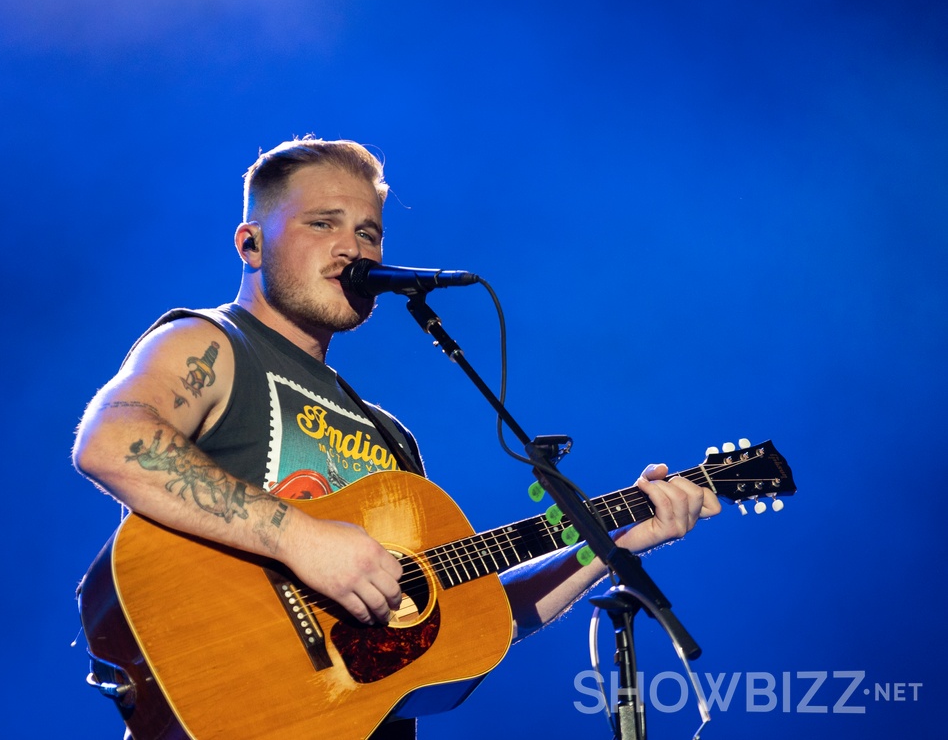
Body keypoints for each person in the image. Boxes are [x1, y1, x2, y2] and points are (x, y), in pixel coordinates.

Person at [72, 137, 721, 739]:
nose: (353, 247)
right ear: (250, 243)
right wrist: (301, 539)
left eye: (368, 232)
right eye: (322, 223)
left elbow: (470, 617)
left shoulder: (392, 438)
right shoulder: (213, 344)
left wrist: (604, 547)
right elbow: (114, 442)